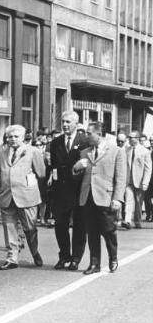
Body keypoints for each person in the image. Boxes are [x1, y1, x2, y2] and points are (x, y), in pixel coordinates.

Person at [73, 122, 127, 274]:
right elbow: (77, 176)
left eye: (89, 134)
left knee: (109, 230)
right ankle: (94, 263)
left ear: (99, 134)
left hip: (106, 197)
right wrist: (76, 167)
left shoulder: (116, 151)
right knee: (92, 232)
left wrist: (117, 198)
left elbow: (121, 177)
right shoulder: (85, 152)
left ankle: (113, 257)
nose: (86, 136)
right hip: (88, 197)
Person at [0, 124, 46, 270]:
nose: (12, 139)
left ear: (23, 138)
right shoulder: (1, 152)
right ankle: (12, 258)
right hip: (7, 195)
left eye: (16, 136)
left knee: (30, 228)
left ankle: (34, 251)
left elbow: (41, 173)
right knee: (10, 227)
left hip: (27, 196)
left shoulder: (33, 151)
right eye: (10, 137)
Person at [49, 110, 89, 271]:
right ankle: (64, 255)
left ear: (76, 124)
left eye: (68, 122)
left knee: (79, 225)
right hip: (61, 191)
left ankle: (76, 258)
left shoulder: (84, 141)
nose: (65, 125)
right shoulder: (56, 142)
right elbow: (53, 166)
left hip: (78, 190)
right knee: (60, 225)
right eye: (63, 122)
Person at [121, 130, 151, 229]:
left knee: (138, 202)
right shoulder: (126, 149)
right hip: (128, 180)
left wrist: (145, 182)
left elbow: (148, 168)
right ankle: (127, 221)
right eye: (128, 137)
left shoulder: (145, 151)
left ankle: (137, 221)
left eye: (131, 137)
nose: (129, 139)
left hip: (139, 181)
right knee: (128, 200)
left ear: (137, 139)